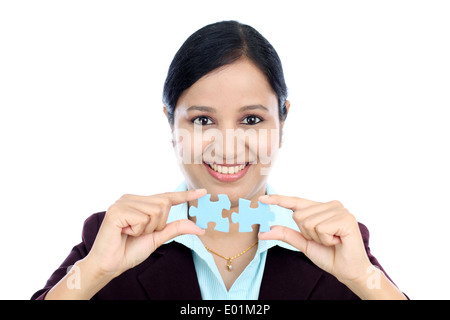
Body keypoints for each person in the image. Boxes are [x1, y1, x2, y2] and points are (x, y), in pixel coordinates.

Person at [31, 20, 407, 300]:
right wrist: (95, 271)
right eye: (203, 120)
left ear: (282, 119)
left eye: (251, 120)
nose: (227, 148)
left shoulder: (339, 244)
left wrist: (363, 279)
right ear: (170, 122)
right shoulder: (110, 237)